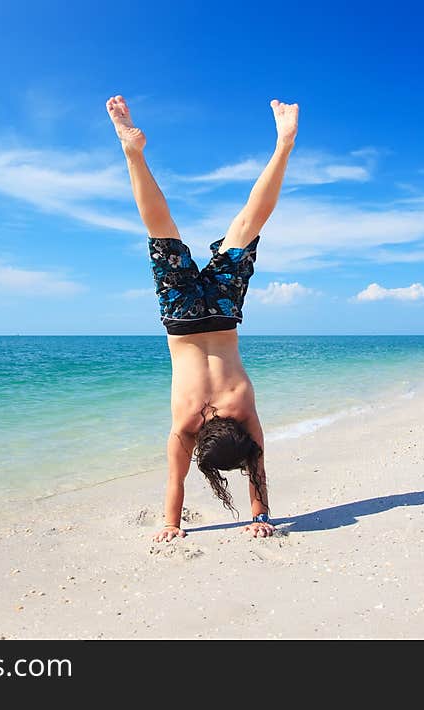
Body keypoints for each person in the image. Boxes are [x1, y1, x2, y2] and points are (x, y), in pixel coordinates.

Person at [106, 94, 298, 542]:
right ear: (203, 443)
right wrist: (170, 524)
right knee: (161, 228)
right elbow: (176, 481)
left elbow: (257, 468)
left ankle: (284, 144)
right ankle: (131, 153)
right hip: (182, 320)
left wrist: (261, 515)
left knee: (249, 222)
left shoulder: (243, 411)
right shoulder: (187, 423)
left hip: (224, 314)